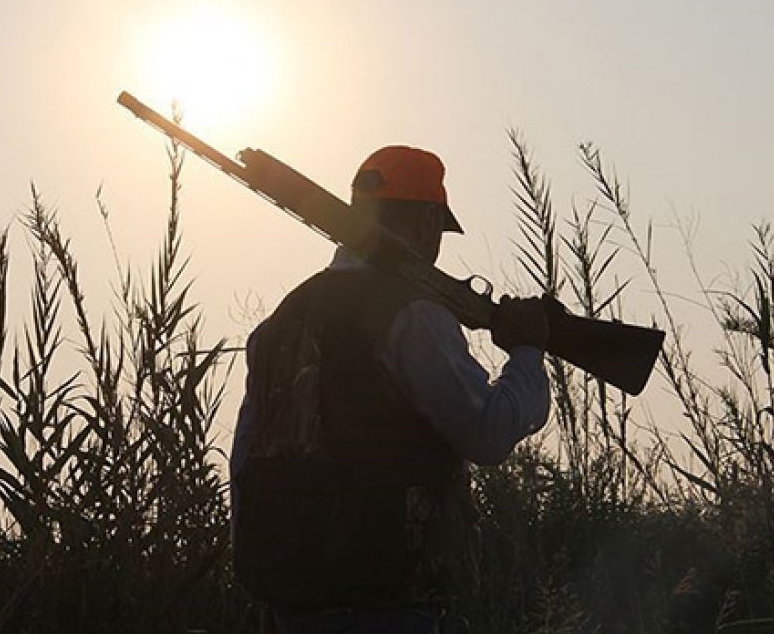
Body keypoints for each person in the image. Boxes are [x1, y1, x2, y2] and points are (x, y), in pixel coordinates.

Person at [230, 145, 551, 633]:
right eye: (437, 229)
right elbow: (486, 433)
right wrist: (528, 352)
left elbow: (244, 463)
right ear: (426, 223)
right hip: (388, 604)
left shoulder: (280, 322)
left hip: (292, 608)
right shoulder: (412, 314)